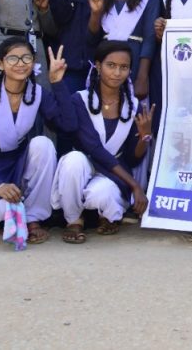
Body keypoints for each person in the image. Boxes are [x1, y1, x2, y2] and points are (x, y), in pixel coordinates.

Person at [0, 39, 74, 245]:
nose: (20, 64)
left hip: (18, 164)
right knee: (2, 211)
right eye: (12, 58)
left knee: (43, 144)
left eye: (26, 58)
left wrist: (57, 83)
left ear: (33, 62)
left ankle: (33, 218)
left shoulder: (37, 92)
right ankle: (6, 210)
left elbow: (68, 125)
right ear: (0, 64)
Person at [51, 41, 152, 243]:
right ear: (98, 66)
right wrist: (135, 185)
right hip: (85, 165)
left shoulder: (133, 106)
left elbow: (132, 158)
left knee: (102, 194)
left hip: (112, 173)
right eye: (111, 65)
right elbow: (94, 148)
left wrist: (144, 137)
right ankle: (74, 220)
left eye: (124, 67)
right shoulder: (80, 100)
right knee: (73, 161)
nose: (117, 73)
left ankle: (105, 216)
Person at [88, 0, 160, 102]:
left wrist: (142, 76)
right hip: (106, 58)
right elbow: (91, 37)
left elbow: (149, 38)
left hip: (134, 57)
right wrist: (96, 13)